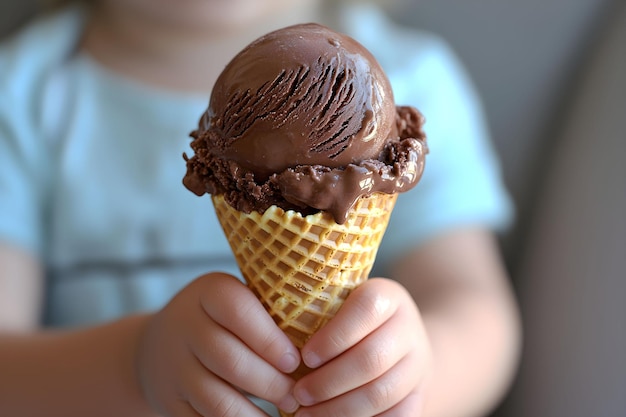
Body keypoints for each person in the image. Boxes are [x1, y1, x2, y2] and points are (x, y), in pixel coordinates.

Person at [0, 0, 521, 416]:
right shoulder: (23, 97)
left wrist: (418, 378)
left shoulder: (414, 79)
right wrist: (133, 368)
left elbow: (479, 313)